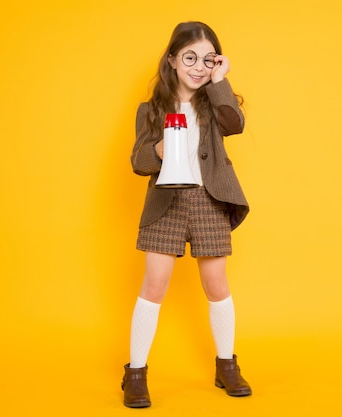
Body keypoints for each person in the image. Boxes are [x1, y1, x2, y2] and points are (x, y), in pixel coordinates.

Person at [122, 21, 252, 408]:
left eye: (207, 59)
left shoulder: (215, 104)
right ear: (172, 61)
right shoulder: (151, 110)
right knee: (155, 285)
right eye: (189, 58)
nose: (197, 66)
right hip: (167, 202)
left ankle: (226, 365)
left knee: (216, 284)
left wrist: (220, 79)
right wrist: (159, 149)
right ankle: (135, 372)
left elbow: (236, 124)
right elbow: (138, 162)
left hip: (209, 199)